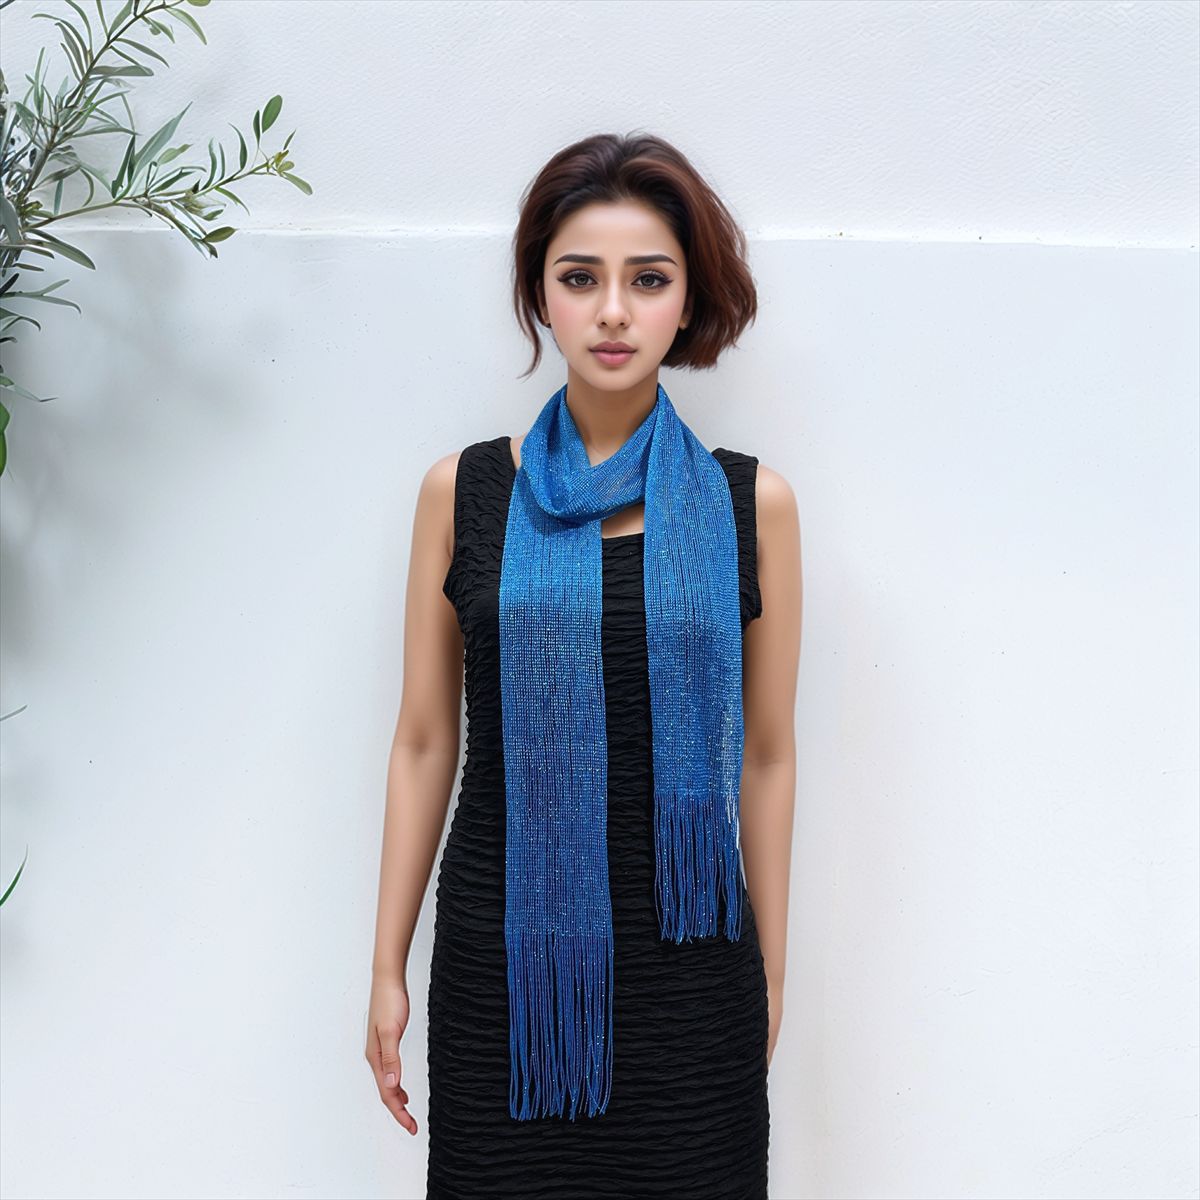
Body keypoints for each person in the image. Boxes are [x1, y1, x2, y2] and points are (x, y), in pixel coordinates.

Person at [365, 131, 803, 1199]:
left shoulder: (752, 506)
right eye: (579, 278)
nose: (613, 311)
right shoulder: (462, 493)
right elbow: (424, 739)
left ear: (688, 302)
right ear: (539, 296)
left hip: (692, 973)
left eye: (648, 280)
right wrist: (386, 964)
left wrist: (771, 975)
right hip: (507, 967)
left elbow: (768, 756)